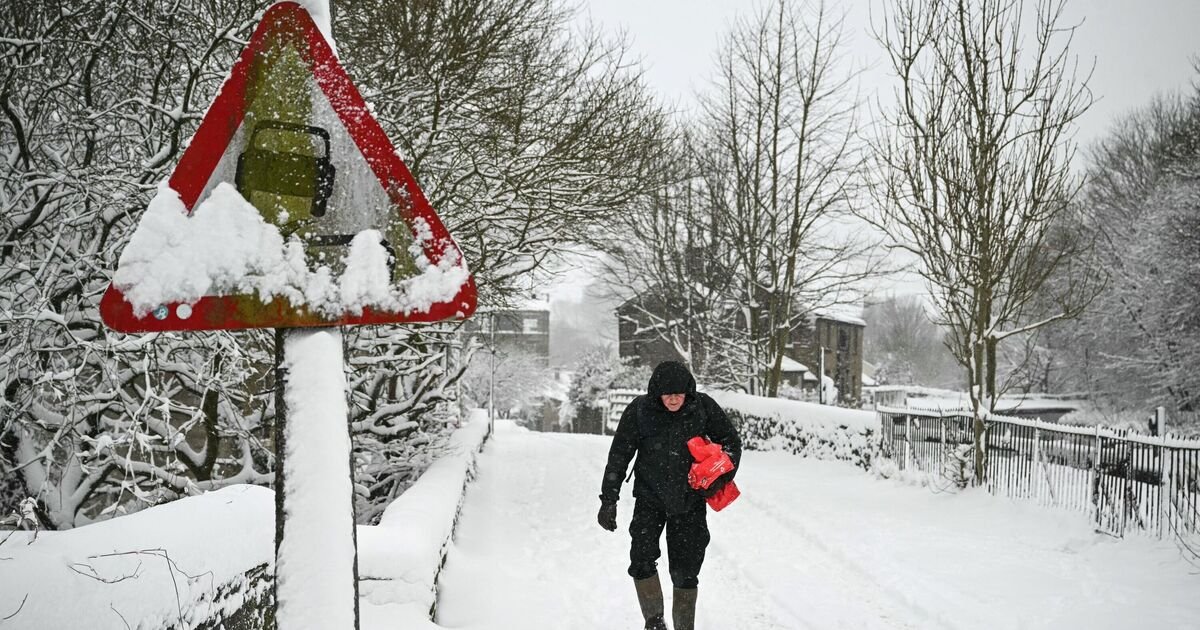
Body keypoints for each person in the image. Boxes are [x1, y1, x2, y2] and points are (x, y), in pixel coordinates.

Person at [597, 360, 742, 630]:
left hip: (690, 503)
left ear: (688, 391)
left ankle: (684, 627)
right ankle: (654, 622)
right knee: (641, 560)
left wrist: (719, 478)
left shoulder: (703, 407)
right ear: (656, 392)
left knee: (686, 571)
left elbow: (732, 443)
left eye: (679, 392)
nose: (673, 398)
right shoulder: (640, 411)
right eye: (667, 392)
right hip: (649, 500)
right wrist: (609, 499)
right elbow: (619, 455)